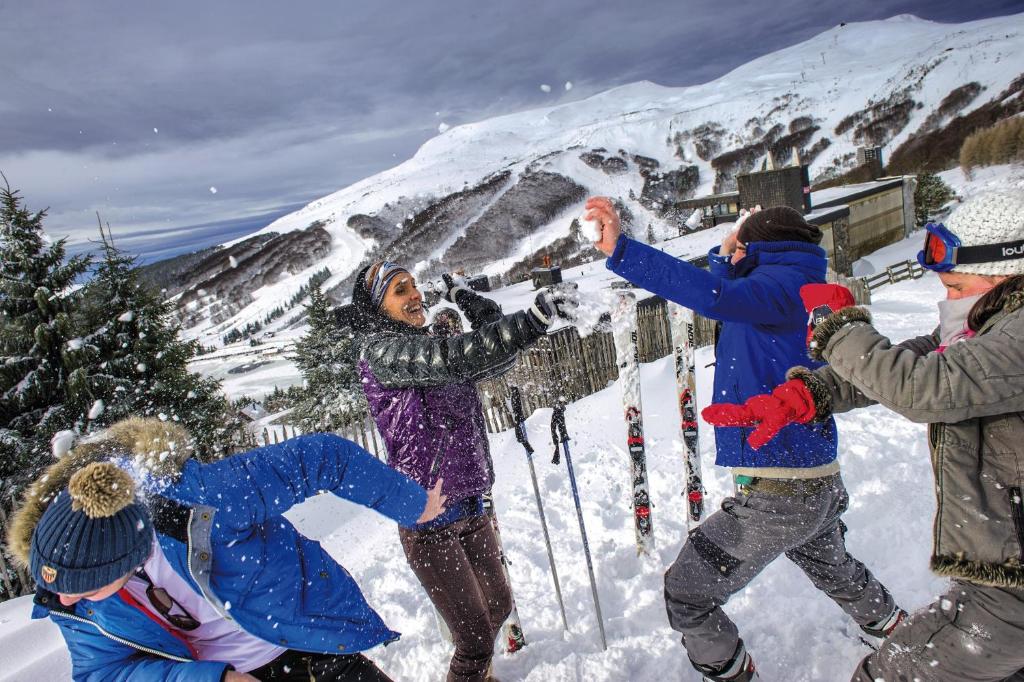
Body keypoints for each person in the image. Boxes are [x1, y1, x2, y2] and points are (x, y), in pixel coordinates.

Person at [702, 189, 1024, 681]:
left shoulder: (1017, 337)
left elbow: (921, 387)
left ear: (1007, 272)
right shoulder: (990, 328)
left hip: (1011, 595)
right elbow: (908, 364)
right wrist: (808, 396)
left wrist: (838, 325)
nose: (949, 300)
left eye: (957, 287)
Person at [584, 196, 902, 682]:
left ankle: (731, 672)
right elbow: (732, 294)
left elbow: (714, 296)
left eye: (741, 248)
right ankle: (893, 628)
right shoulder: (794, 281)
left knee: (687, 593)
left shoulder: (779, 287)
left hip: (781, 483)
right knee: (831, 564)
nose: (732, 256)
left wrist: (622, 250)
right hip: (809, 477)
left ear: (762, 250)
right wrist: (730, 249)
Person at [6, 417, 446, 681]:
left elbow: (324, 457)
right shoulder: (70, 600)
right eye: (61, 586)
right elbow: (105, 672)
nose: (64, 600)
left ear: (129, 554)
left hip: (309, 649)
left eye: (84, 586)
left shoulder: (205, 501)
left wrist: (413, 505)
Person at [342, 261, 575, 682]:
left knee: (498, 606)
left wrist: (462, 295)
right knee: (474, 641)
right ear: (378, 309)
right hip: (426, 516)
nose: (414, 294)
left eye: (414, 285)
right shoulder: (383, 353)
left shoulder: (432, 346)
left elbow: (492, 359)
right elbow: (454, 358)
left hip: (470, 501)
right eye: (399, 290)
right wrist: (536, 317)